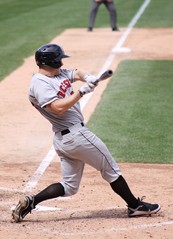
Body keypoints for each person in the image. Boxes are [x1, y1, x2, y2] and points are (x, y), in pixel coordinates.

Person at [12, 43, 160, 222]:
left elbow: (77, 72)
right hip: (77, 136)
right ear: (53, 62)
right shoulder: (40, 84)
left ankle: (31, 201)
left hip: (64, 140)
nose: (62, 63)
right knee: (111, 169)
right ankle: (135, 206)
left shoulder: (58, 73)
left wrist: (88, 78)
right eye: (59, 60)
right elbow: (57, 108)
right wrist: (81, 92)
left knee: (69, 187)